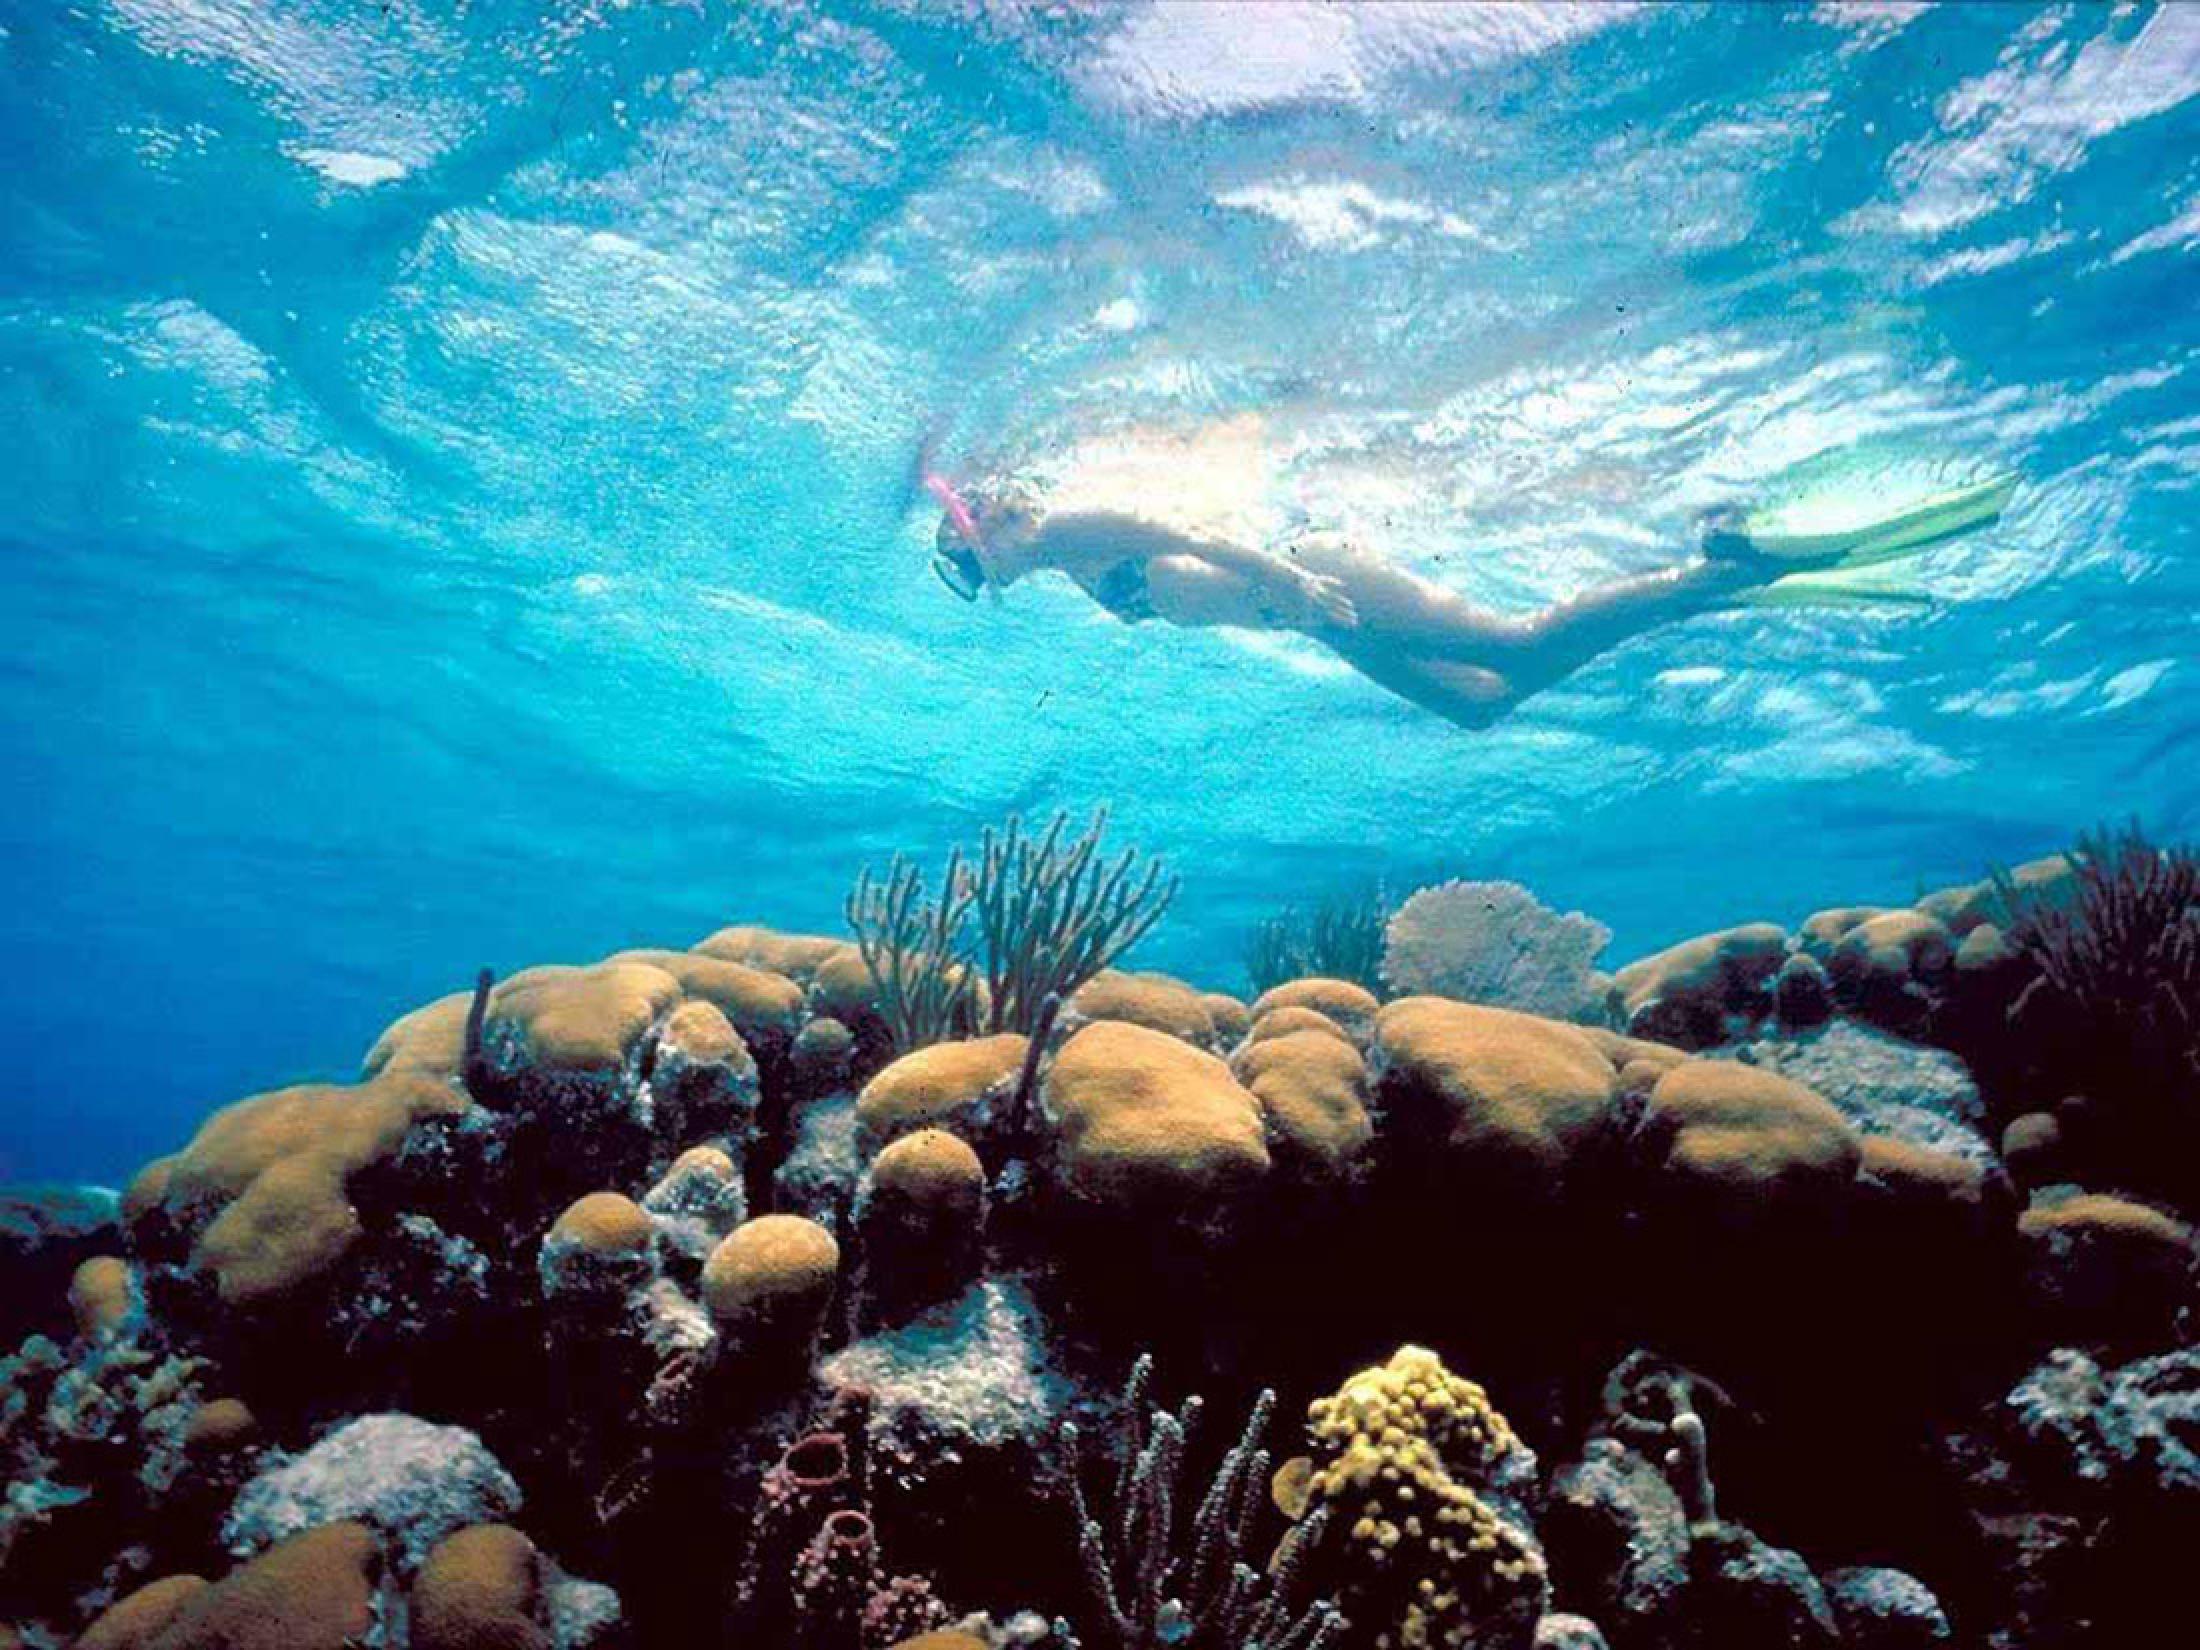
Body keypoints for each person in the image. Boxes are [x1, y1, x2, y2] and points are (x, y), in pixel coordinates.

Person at [927, 469, 2013, 731]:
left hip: (1321, 584)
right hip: (1306, 615)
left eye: (960, 553)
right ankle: (1704, 591)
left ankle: (1718, 568)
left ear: (993, 520)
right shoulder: (1065, 565)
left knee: (1517, 643)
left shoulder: (1065, 525)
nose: (970, 575)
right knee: (1478, 707)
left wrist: (1291, 582)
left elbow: (1189, 534)